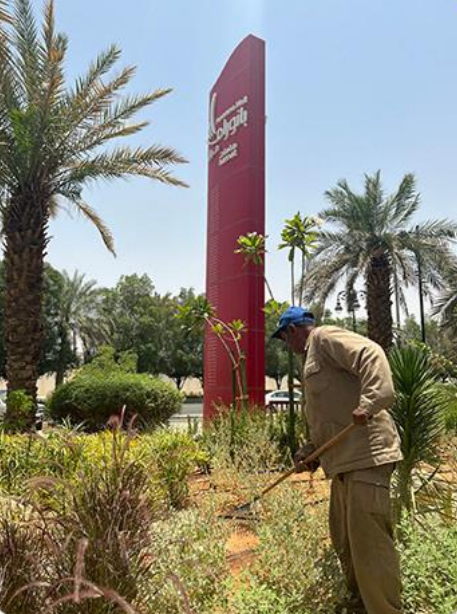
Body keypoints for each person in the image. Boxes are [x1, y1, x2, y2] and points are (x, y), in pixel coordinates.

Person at [272, 306, 403, 614]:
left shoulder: (324, 338)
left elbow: (371, 354)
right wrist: (311, 452)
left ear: (292, 330)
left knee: (369, 546)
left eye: (284, 338)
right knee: (344, 540)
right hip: (345, 463)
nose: (286, 345)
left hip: (366, 456)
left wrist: (370, 402)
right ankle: (360, 605)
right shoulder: (312, 358)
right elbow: (331, 416)